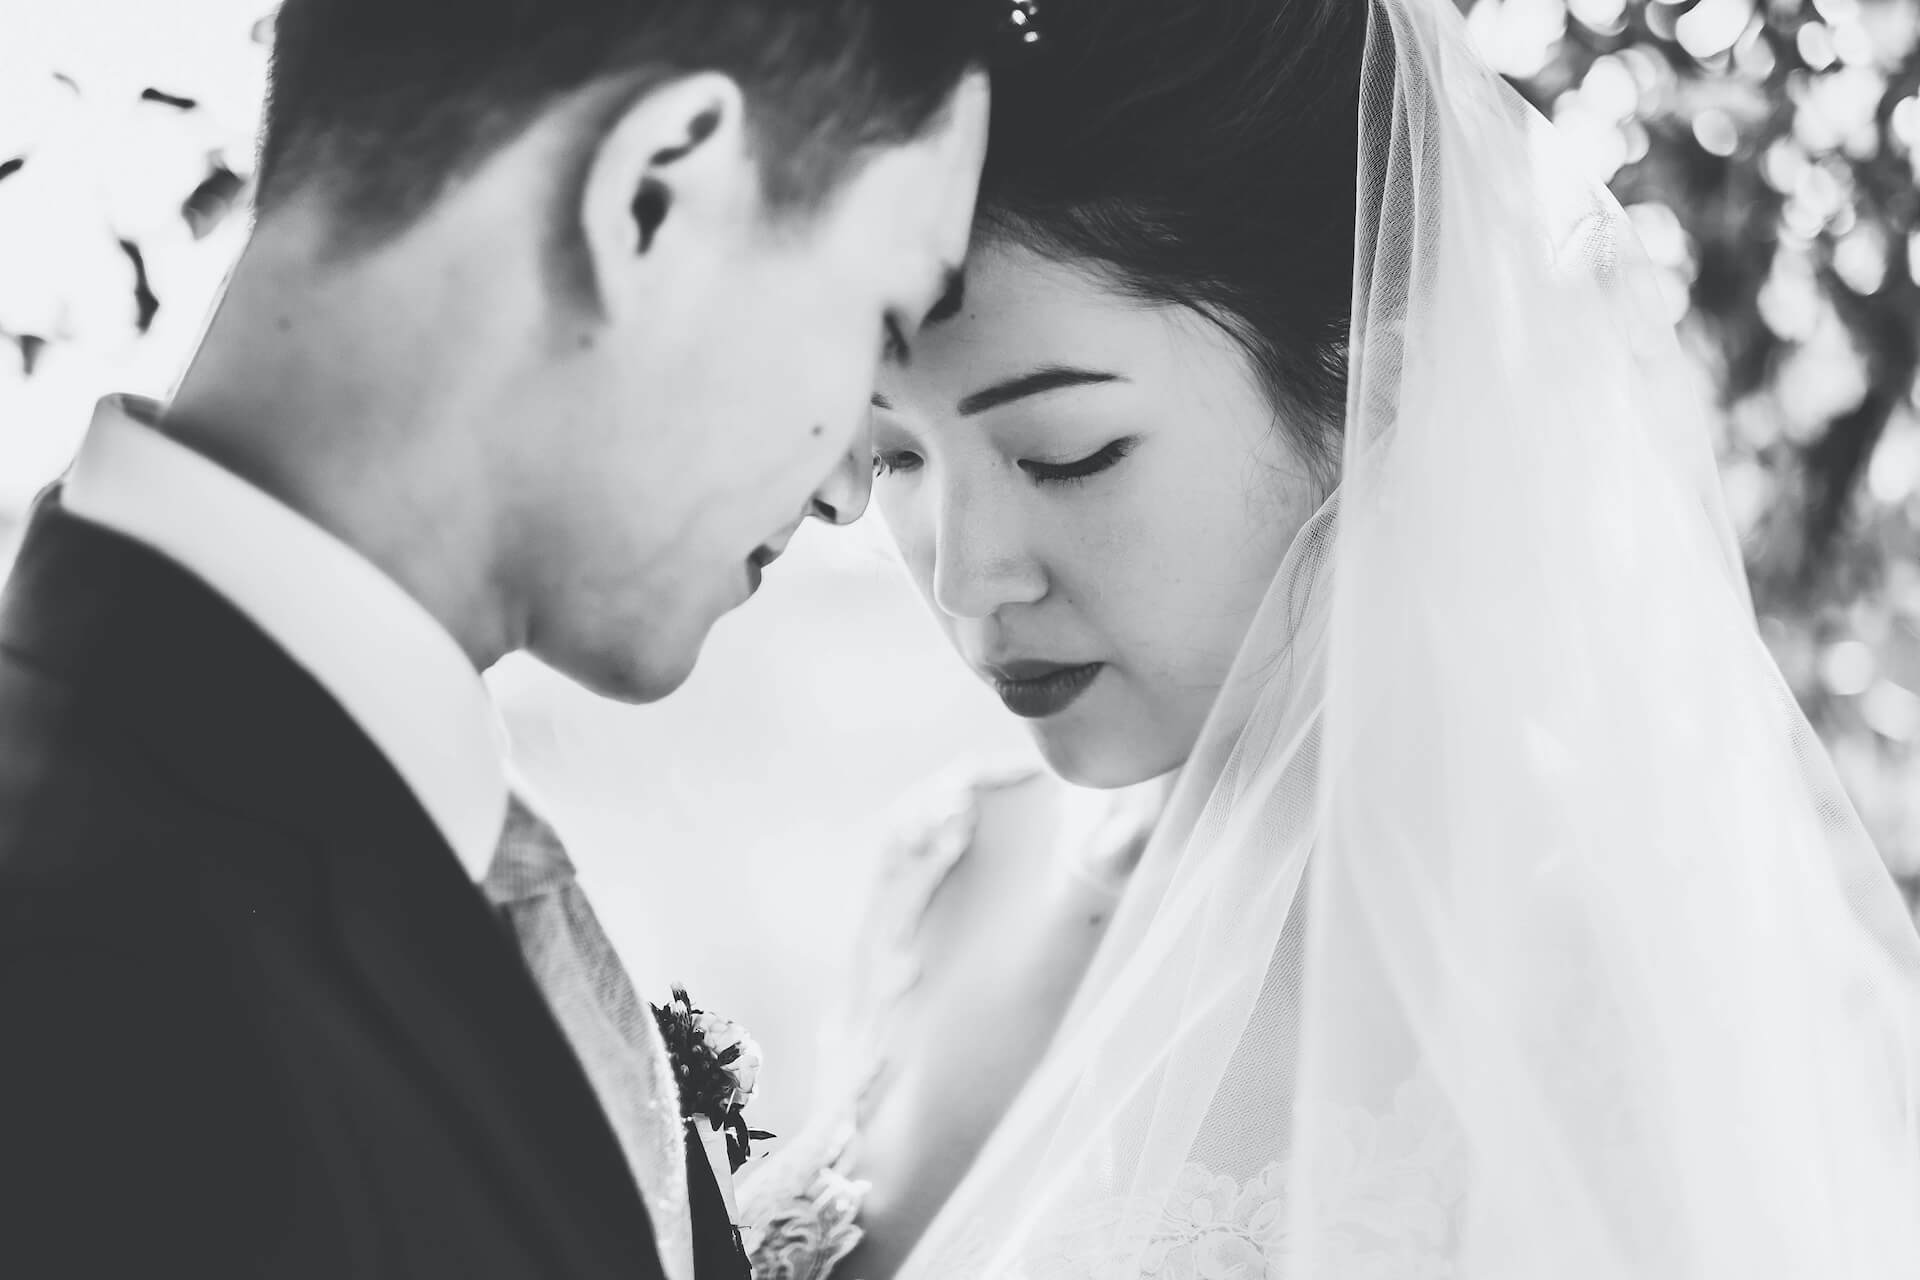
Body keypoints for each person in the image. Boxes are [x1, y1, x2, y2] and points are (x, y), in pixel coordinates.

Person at [741, 1, 1920, 1276]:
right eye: (897, 453)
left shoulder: (1584, 990)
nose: (966, 575)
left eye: (1065, 453)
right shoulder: (950, 865)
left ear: (1375, 398)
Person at [0, 2, 990, 1277]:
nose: (849, 489)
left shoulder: (384, 841)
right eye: (881, 324)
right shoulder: (72, 968)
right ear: (652, 199)